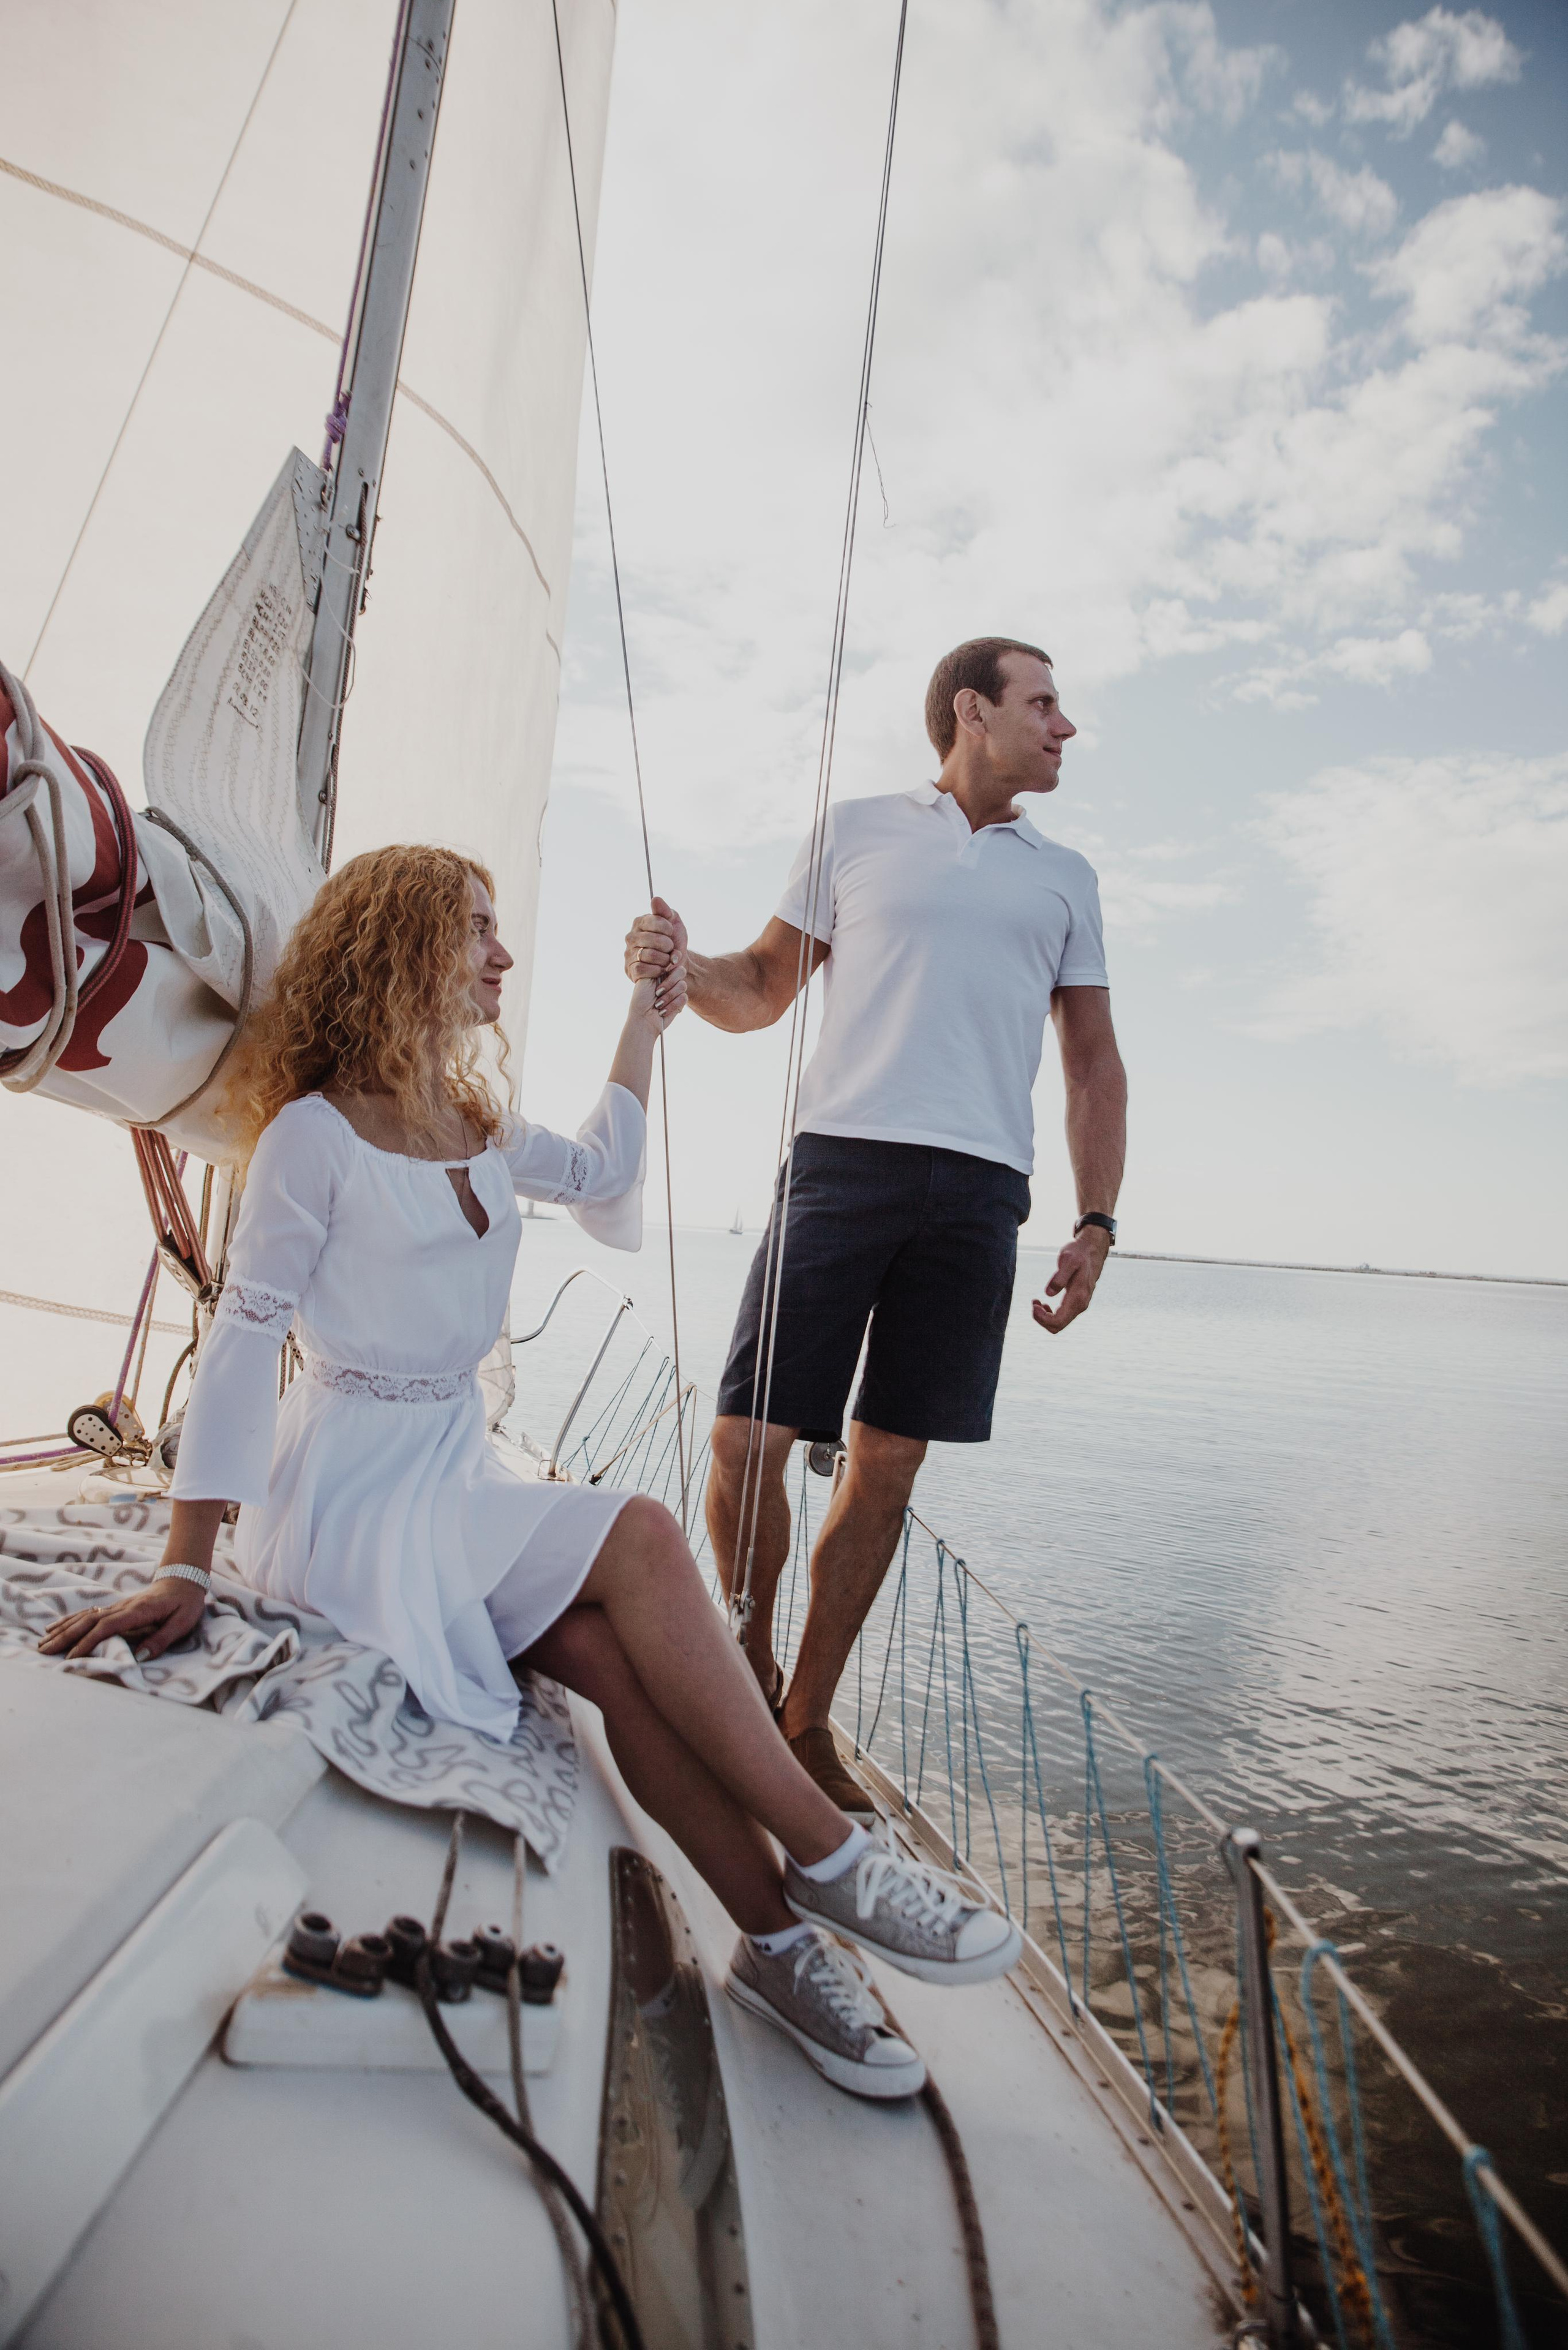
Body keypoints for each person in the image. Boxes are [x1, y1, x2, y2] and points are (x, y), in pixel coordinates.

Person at [40, 843, 1021, 2100]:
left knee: (611, 1660)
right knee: (644, 1534)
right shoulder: (311, 1138)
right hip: (350, 1497)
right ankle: (833, 1859)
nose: (502, 954)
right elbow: (241, 1339)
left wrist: (646, 1022)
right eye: (476, 929)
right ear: (399, 946)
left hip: (452, 1473)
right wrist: (187, 1565)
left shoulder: (477, 1126)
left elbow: (605, 1174)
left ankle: (777, 1949)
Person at [625, 638, 1127, 1817]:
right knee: (746, 1441)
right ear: (973, 711)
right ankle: (742, 1679)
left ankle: (804, 1722)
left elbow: (1093, 1064)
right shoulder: (856, 831)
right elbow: (761, 987)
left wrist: (1096, 1219)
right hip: (842, 1164)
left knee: (889, 1463)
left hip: (981, 1193)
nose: (1065, 726)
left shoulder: (1067, 878)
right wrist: (680, 967)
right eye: (1045, 703)